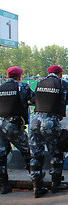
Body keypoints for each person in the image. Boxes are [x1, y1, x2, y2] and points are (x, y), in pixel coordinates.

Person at [29, 65, 68, 198]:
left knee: (36, 154)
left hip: (35, 120)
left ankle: (37, 187)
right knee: (56, 152)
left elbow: (33, 99)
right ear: (59, 74)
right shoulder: (61, 83)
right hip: (50, 120)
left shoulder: (40, 83)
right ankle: (56, 183)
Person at [0, 66, 34, 194]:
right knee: (29, 151)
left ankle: (4, 185)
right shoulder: (22, 87)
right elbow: (34, 98)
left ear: (7, 76)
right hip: (12, 124)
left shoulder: (1, 87)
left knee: (1, 156)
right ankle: (37, 181)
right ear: (20, 76)